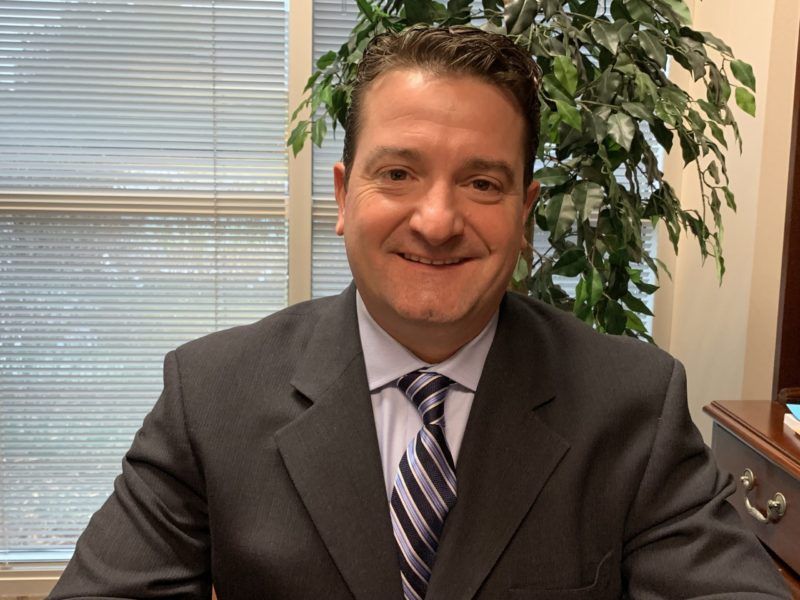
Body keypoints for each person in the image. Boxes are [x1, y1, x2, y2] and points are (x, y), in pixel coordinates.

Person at [49, 25, 790, 600]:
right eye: (398, 173)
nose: (437, 221)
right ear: (343, 197)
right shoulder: (209, 397)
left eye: (482, 183)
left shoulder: (631, 406)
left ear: (526, 213)